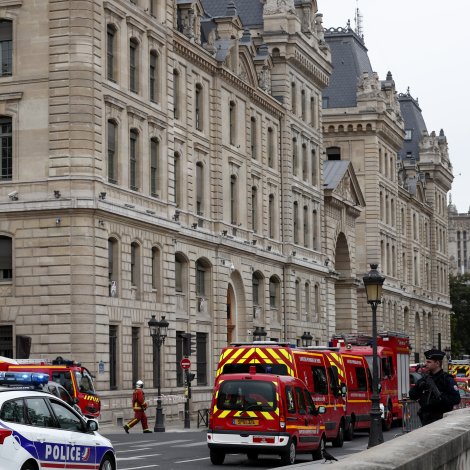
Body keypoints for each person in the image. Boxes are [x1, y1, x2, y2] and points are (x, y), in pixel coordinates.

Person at [409, 349, 461, 426]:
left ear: (437, 363)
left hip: (442, 419)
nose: (426, 364)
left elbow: (456, 398)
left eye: (429, 362)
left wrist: (441, 398)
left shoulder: (446, 379)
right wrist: (419, 387)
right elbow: (412, 395)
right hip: (426, 420)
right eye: (426, 361)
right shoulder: (424, 379)